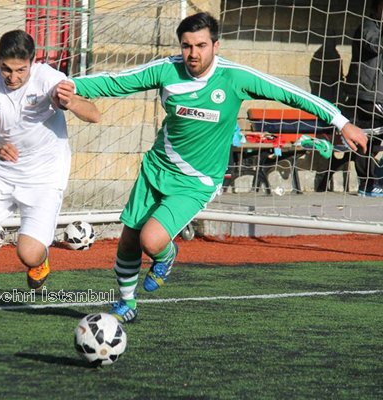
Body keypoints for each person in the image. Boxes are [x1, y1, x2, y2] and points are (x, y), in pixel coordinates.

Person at [56, 12, 368, 323]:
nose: (193, 53)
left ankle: (165, 255)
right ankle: (126, 303)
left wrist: (342, 123)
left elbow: (291, 93)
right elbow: (117, 82)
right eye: (187, 46)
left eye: (201, 45)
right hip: (157, 168)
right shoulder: (167, 70)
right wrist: (66, 85)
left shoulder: (235, 78)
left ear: (215, 46)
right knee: (128, 238)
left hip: (197, 182)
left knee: (150, 241)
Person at [0, 30, 100, 322]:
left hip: (45, 175)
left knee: (27, 253)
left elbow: (94, 115)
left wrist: (71, 102)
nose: (12, 77)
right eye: (6, 69)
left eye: (20, 70)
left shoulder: (48, 78)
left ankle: (40, 263)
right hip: (3, 171)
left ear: (32, 61)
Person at [342, 0, 383, 197]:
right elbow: (375, 45)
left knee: (373, 141)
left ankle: (372, 181)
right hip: (367, 94)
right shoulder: (367, 27)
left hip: (379, 94)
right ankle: (367, 184)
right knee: (365, 138)